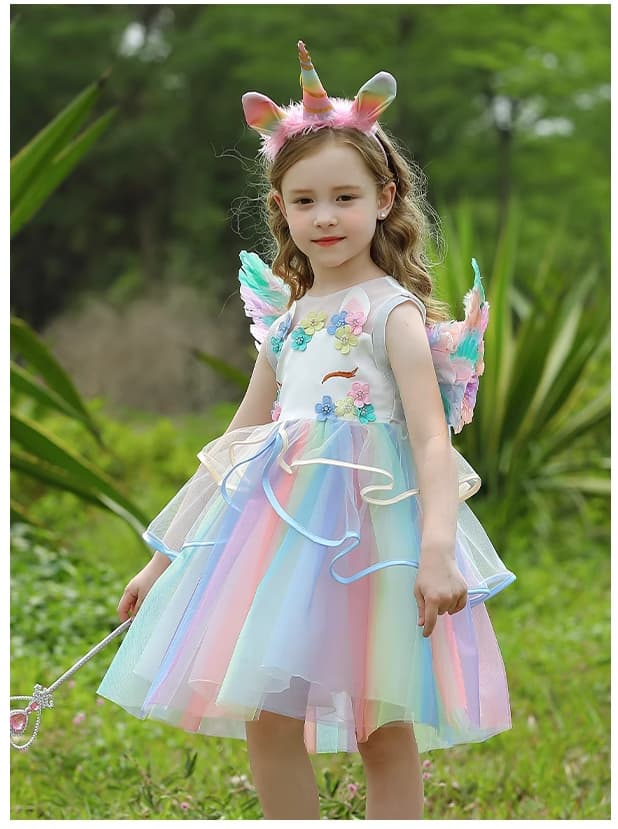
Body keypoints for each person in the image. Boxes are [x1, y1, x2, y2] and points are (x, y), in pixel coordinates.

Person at [97, 41, 515, 820]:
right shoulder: (287, 326)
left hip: (375, 541)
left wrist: (433, 550)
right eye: (305, 200)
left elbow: (430, 439)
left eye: (345, 197)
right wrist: (163, 561)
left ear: (385, 198)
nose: (325, 217)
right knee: (269, 714)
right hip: (278, 543)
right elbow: (233, 448)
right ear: (281, 209)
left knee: (381, 724)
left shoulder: (393, 314)